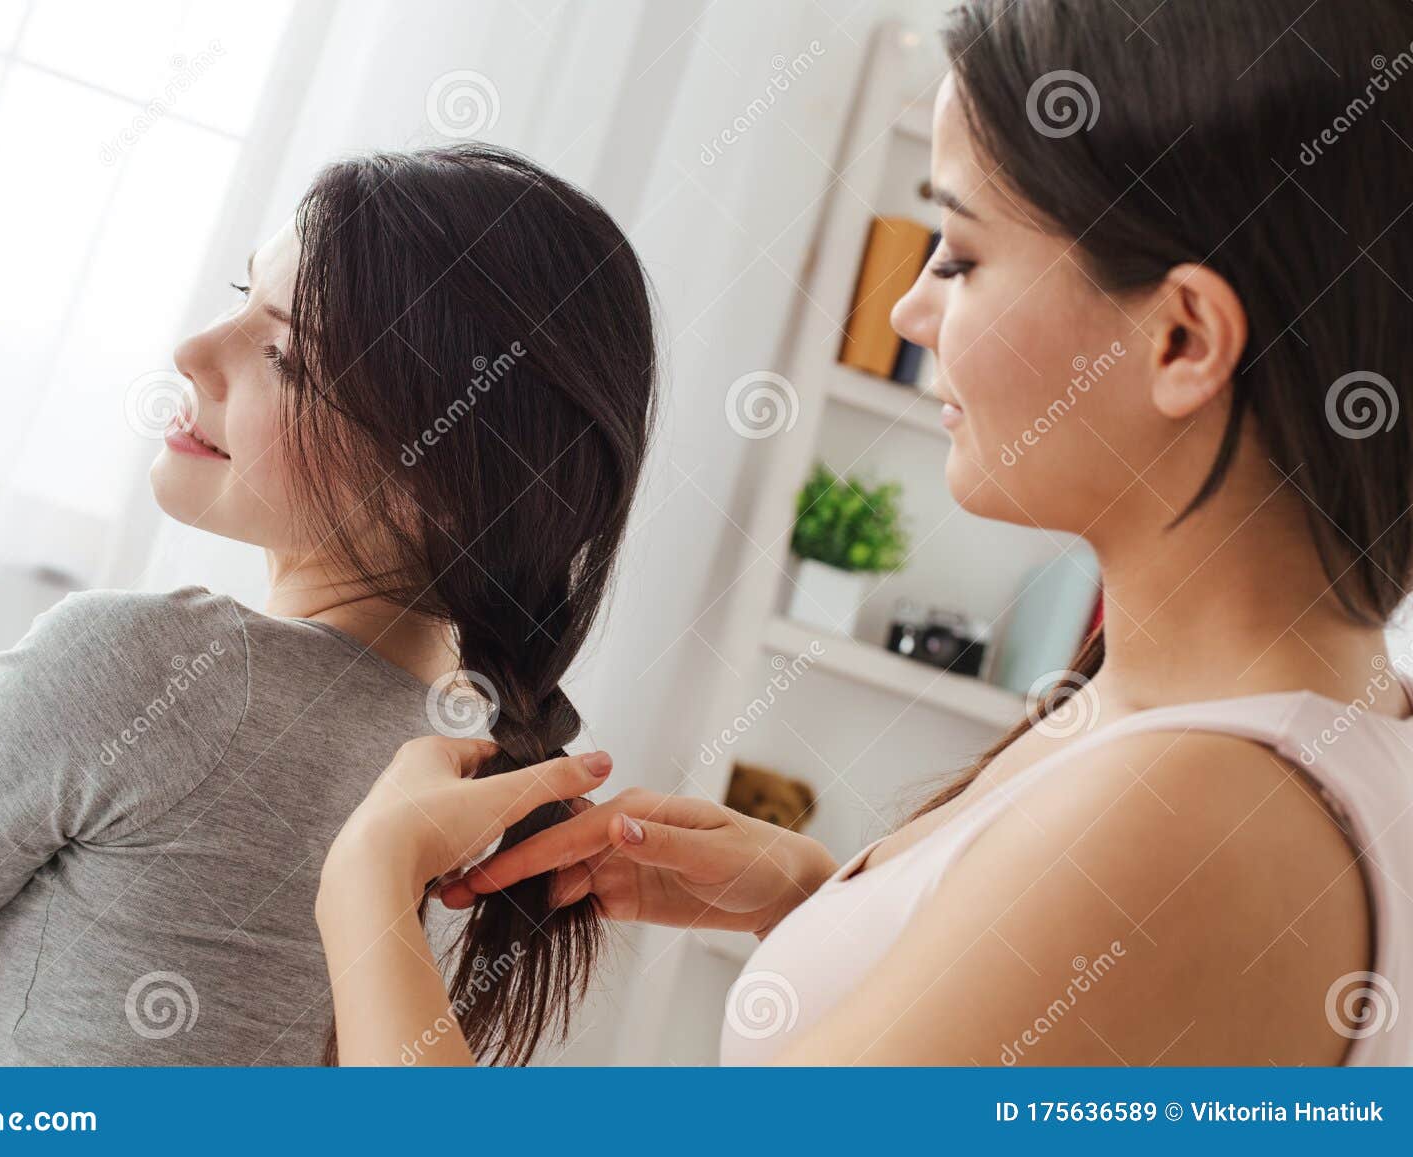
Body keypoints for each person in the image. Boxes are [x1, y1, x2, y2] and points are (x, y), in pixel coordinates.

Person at [317, 0, 1413, 1066]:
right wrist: (834, 914)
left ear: (1179, 339)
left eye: (963, 254)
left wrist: (365, 895)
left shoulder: (1187, 820)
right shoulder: (1289, 729)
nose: (907, 310)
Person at [0, 143, 657, 1065]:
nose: (193, 351)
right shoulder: (502, 797)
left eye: (286, 355)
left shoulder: (140, 667)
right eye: (238, 295)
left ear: (444, 480)